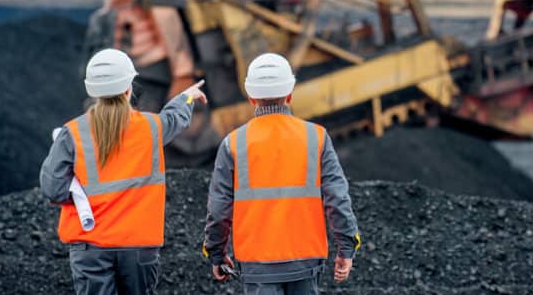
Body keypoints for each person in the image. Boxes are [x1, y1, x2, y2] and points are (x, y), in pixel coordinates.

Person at [40, 48, 207, 295]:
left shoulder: (73, 133)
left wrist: (81, 197)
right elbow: (174, 118)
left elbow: (53, 188)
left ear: (92, 90)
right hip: (138, 246)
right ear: (129, 89)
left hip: (90, 246)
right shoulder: (151, 128)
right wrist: (187, 97)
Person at [203, 52, 360, 295]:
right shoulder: (316, 137)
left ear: (251, 97)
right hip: (305, 260)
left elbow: (218, 208)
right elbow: (337, 198)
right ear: (290, 93)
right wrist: (346, 248)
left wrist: (216, 253)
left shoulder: (233, 143)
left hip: (257, 263)